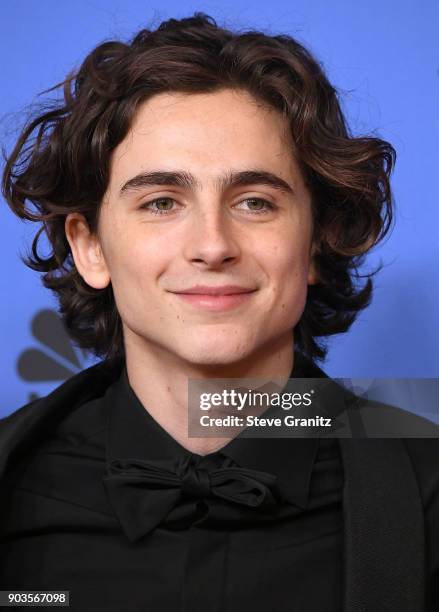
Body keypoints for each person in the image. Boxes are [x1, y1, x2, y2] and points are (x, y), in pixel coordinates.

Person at [0, 13, 438, 611]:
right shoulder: (13, 482)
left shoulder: (430, 484)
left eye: (255, 202)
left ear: (315, 240)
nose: (212, 244)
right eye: (161, 202)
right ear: (90, 247)